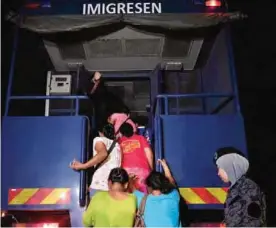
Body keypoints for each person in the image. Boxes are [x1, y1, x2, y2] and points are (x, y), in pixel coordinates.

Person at [214, 147, 267, 227]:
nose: (218, 173)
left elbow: (252, 223)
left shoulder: (248, 189)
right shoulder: (236, 188)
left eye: (220, 168)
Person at [70, 123, 121, 194]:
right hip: (114, 187)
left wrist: (83, 166)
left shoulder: (99, 140)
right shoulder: (117, 145)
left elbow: (103, 153)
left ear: (100, 132)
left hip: (100, 186)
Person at [130, 159, 181, 227]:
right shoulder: (173, 196)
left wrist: (130, 180)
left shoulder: (143, 200)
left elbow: (132, 188)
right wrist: (165, 167)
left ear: (149, 187)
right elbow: (172, 183)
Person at [119, 122, 153, 193]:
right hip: (142, 169)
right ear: (132, 129)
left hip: (126, 171)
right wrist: (151, 168)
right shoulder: (141, 138)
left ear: (122, 132)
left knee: (128, 195)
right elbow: (149, 153)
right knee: (143, 194)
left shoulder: (120, 141)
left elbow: (118, 156)